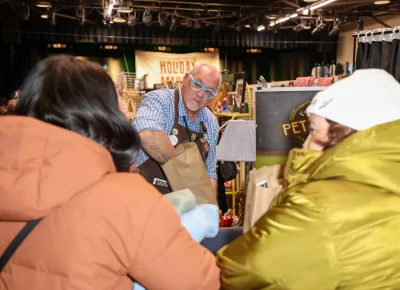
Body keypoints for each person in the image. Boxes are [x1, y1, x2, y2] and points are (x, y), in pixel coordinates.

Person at [0, 54, 220, 290]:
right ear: (96, 112)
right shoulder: (127, 200)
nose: (125, 108)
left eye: (210, 92)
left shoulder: (13, 175)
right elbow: (200, 280)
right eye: (116, 100)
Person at [217, 69, 400, 289]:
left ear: (345, 134)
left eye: (313, 131)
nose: (304, 145)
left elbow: (238, 270)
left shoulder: (319, 205)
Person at [133, 64, 221, 195]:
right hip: (144, 198)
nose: (201, 94)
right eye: (197, 84)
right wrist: (185, 178)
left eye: (209, 92)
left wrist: (211, 207)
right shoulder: (160, 101)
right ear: (186, 79)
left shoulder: (210, 122)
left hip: (183, 208)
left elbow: (210, 173)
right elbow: (147, 135)